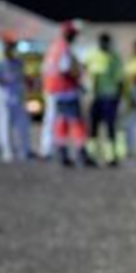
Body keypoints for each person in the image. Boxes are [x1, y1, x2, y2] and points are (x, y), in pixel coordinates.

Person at [43, 21, 95, 168]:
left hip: (55, 91)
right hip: (67, 90)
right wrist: (79, 75)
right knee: (77, 123)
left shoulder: (54, 47)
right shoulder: (64, 48)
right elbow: (65, 68)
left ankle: (62, 153)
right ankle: (81, 153)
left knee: (62, 122)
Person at [0, 38, 32, 162]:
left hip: (18, 95)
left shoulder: (18, 62)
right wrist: (5, 81)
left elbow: (24, 76)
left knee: (22, 124)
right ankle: (8, 151)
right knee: (5, 124)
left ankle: (24, 150)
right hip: (5, 95)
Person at [84, 32, 124, 166]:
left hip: (110, 97)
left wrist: (119, 97)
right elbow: (85, 73)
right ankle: (91, 154)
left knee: (110, 127)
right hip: (94, 96)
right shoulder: (91, 55)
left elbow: (120, 79)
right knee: (93, 127)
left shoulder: (114, 58)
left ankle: (110, 156)